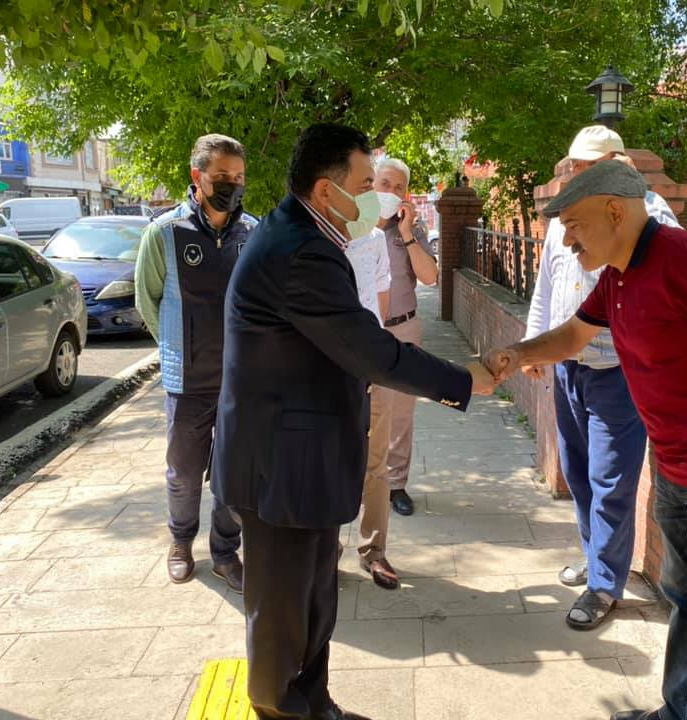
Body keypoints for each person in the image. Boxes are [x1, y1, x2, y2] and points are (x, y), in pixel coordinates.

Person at [486, 161, 687, 720]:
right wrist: (516, 354)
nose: (567, 240)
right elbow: (575, 335)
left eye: (574, 224)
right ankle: (678, 712)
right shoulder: (618, 276)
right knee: (686, 604)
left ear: (615, 211)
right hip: (676, 469)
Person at [210, 123, 497, 720]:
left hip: (301, 462)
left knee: (315, 601)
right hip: (280, 469)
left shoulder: (309, 234)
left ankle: (315, 704)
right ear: (326, 190)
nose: (376, 197)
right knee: (283, 617)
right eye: (367, 184)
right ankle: (283, 710)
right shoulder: (300, 251)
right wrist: (464, 380)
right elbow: (369, 349)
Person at [524, 125, 680, 631]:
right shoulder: (565, 218)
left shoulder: (650, 214)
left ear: (617, 163)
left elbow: (665, 278)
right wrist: (533, 344)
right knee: (577, 470)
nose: (577, 173)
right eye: (574, 164)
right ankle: (597, 560)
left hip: (618, 370)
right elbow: (547, 284)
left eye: (588, 165)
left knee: (610, 478)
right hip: (569, 365)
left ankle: (605, 584)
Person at [134, 133, 257, 593]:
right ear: (197, 176)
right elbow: (147, 300)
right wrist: (176, 345)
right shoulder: (165, 233)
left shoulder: (253, 233)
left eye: (238, 177)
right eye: (222, 175)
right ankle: (181, 542)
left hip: (241, 381)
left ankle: (225, 553)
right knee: (184, 474)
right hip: (187, 381)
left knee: (234, 476)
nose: (231, 184)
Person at [374, 158, 438, 516]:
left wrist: (408, 233)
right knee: (361, 408)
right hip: (365, 328)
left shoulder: (412, 228)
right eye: (385, 183)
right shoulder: (354, 223)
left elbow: (430, 276)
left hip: (404, 327)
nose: (391, 191)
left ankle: (396, 484)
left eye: (399, 187)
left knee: (401, 412)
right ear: (372, 184)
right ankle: (363, 479)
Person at [344, 226, 401, 589]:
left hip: (371, 362)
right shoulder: (313, 234)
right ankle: (324, 549)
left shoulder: (375, 238)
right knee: (327, 459)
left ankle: (374, 550)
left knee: (376, 462)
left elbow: (381, 301)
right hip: (327, 364)